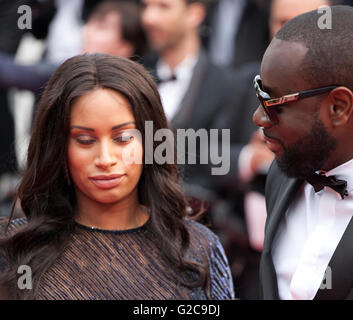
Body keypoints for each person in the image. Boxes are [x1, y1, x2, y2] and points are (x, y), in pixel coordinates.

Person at [0, 53, 234, 300]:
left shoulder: (197, 249)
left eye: (122, 138)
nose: (105, 158)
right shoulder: (14, 250)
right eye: (85, 140)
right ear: (58, 148)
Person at [253, 5, 353, 299]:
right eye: (259, 93)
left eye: (275, 104)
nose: (258, 117)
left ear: (338, 107)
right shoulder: (282, 175)